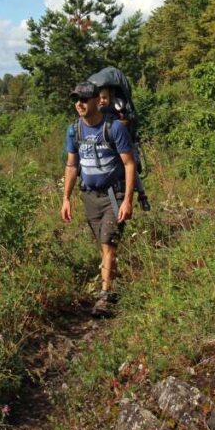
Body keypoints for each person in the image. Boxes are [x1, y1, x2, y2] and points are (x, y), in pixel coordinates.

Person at [61, 81, 136, 315]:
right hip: (89, 197)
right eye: (76, 100)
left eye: (84, 99)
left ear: (97, 101)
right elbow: (72, 165)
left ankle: (104, 298)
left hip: (115, 194)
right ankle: (114, 281)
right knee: (104, 246)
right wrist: (66, 198)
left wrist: (128, 200)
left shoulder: (114, 128)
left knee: (108, 243)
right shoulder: (75, 130)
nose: (79, 104)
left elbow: (129, 164)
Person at [98, 86, 151, 211]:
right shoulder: (94, 112)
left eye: (104, 97)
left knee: (132, 164)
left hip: (123, 142)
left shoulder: (117, 107)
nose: (101, 101)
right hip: (106, 145)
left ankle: (142, 194)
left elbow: (126, 121)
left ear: (110, 98)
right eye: (99, 98)